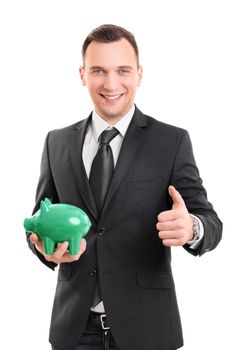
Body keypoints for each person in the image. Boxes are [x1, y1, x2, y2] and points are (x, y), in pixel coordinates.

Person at [27, 24, 222, 350]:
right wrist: (41, 247)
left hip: (147, 330)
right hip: (74, 330)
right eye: (99, 70)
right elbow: (41, 217)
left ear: (139, 74)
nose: (111, 83)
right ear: (82, 74)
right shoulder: (56, 143)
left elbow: (209, 220)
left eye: (123, 70)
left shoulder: (171, 141)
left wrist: (192, 228)